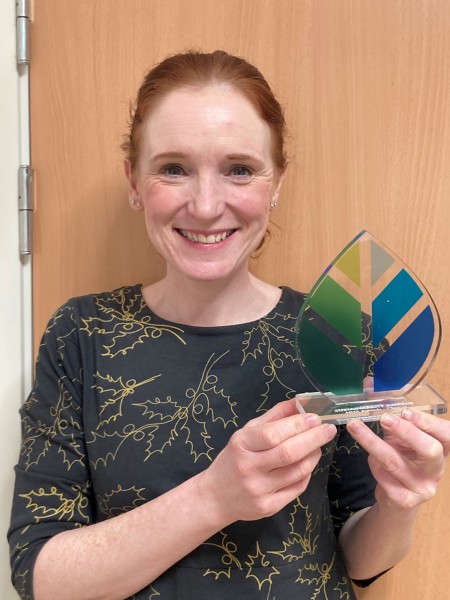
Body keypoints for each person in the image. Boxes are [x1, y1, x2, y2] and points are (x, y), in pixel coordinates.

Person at [8, 50, 450, 600]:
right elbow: (42, 577)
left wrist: (399, 504)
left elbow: (359, 560)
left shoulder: (335, 331)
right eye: (174, 168)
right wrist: (215, 497)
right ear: (134, 181)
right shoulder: (82, 334)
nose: (207, 204)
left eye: (239, 169)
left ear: (278, 182)